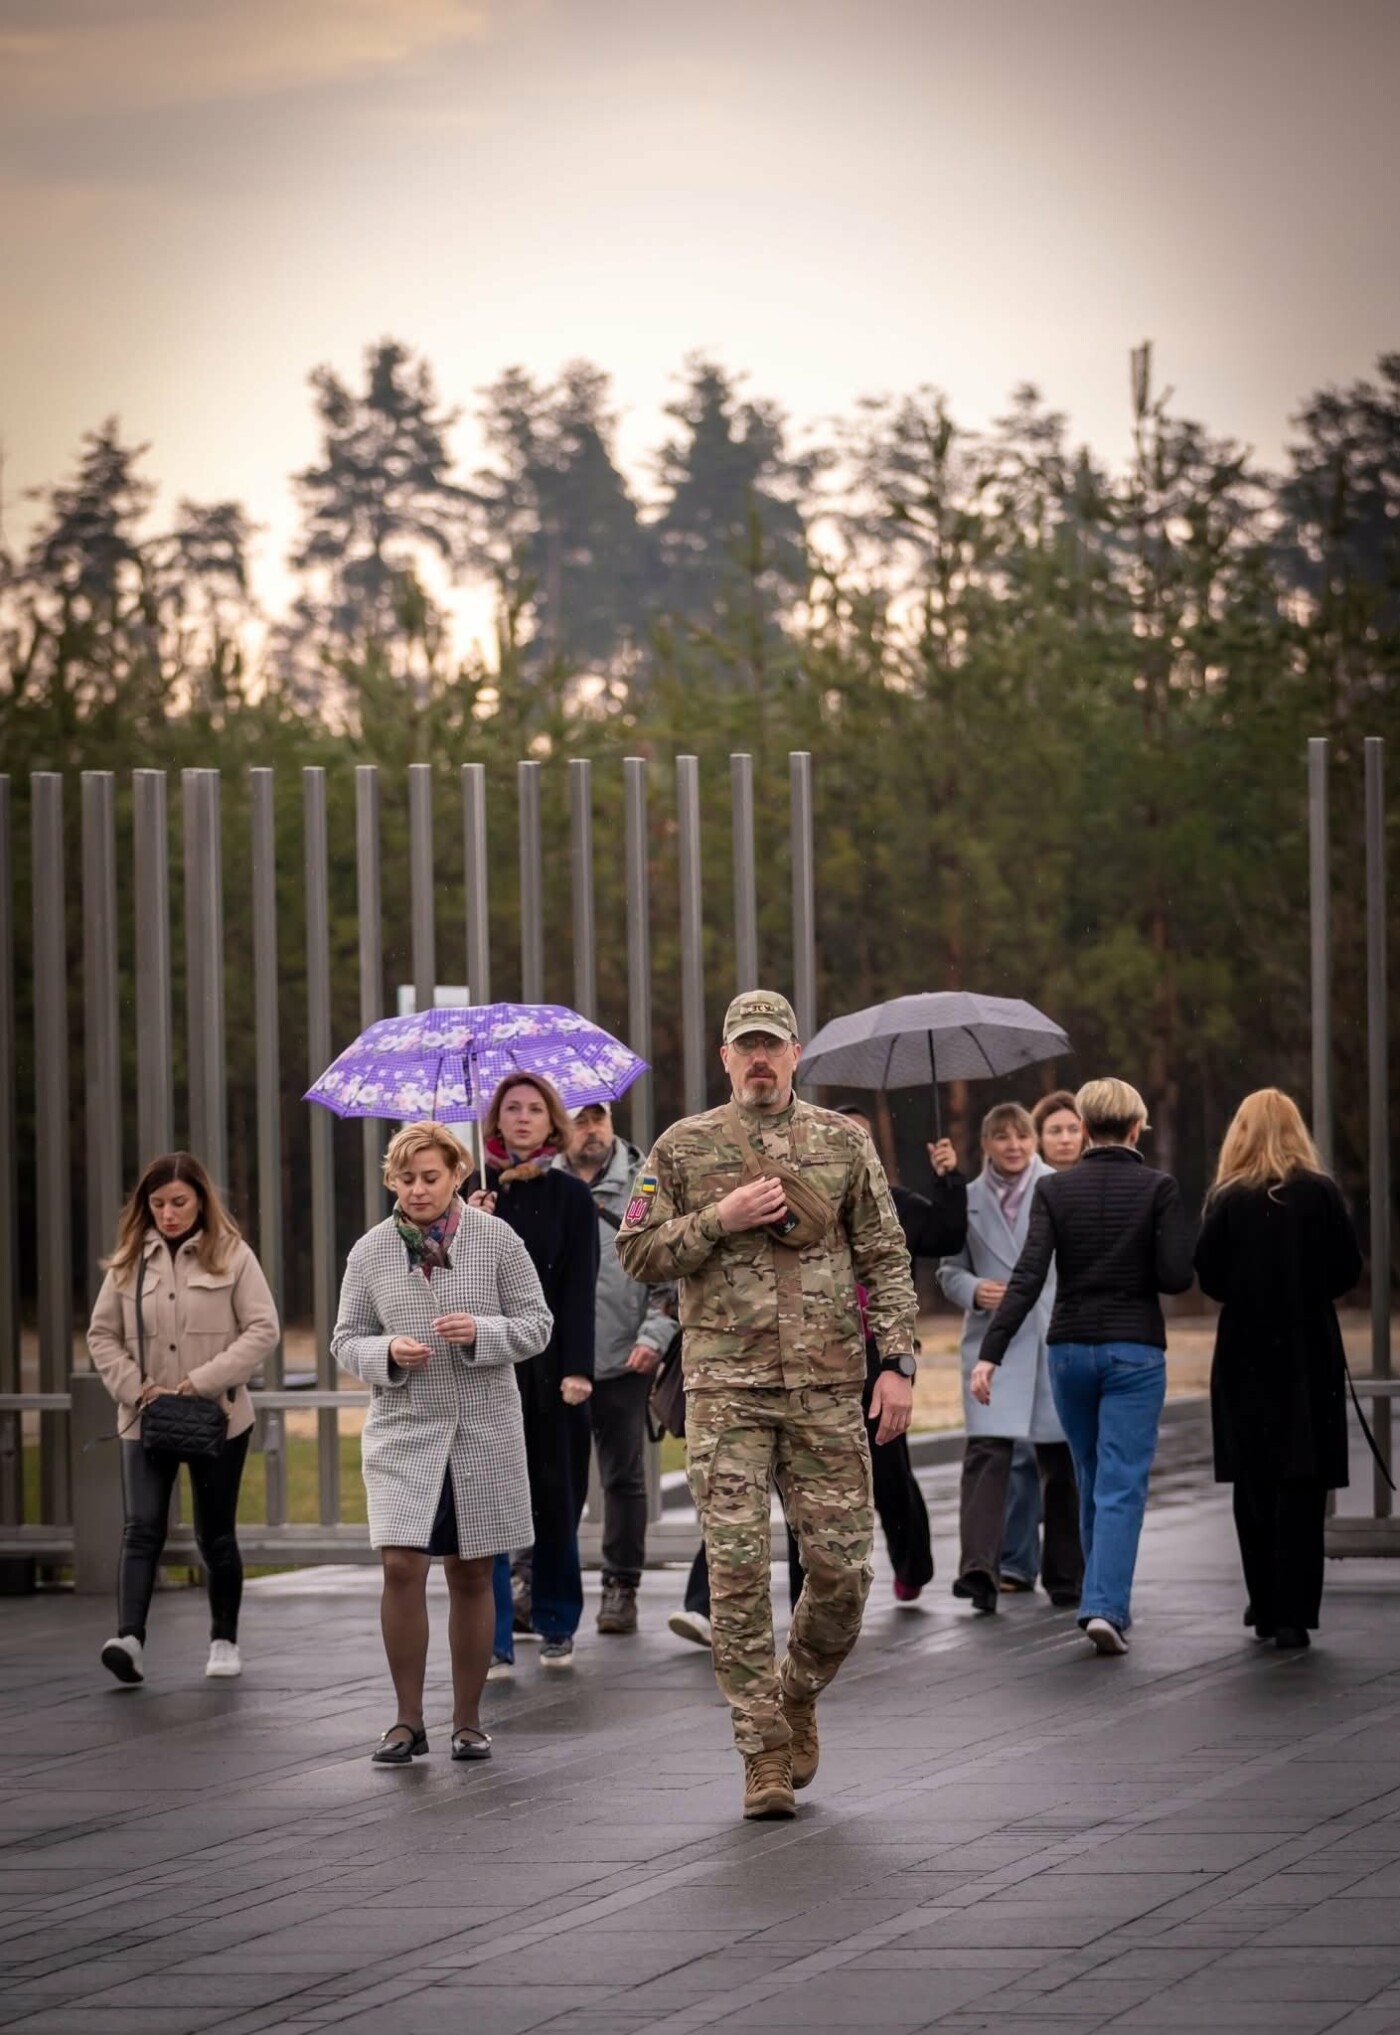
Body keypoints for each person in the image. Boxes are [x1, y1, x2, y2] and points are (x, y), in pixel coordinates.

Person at [617, 989, 919, 1820]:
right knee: (740, 1573)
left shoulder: (841, 1143)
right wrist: (719, 1216)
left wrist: (896, 1363)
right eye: (744, 1046)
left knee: (844, 1572)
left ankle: (799, 1689)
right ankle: (762, 1751)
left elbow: (886, 1256)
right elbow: (636, 1250)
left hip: (827, 1390)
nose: (758, 1059)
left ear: (794, 1055)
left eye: (772, 1045)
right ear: (724, 1058)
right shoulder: (683, 1147)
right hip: (727, 1392)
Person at [332, 1121, 552, 1763]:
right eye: (406, 1178)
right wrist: (388, 1351)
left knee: (472, 1570)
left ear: (458, 1173)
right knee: (400, 1564)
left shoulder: (495, 1238)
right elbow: (345, 1337)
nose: (418, 1189)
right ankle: (406, 1720)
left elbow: (537, 1325)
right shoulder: (370, 1251)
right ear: (390, 1181)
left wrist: (482, 1332)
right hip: (404, 1428)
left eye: (431, 1177)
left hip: (483, 1429)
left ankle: (468, 1720)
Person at [975, 1078, 1197, 1655]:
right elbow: (1177, 1276)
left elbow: (1027, 1276)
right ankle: (1104, 1606)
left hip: (1069, 1350)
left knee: (1092, 1477)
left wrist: (991, 1352)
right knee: (1122, 1482)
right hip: (1134, 1349)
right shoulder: (1159, 1188)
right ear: (1134, 1128)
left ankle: (1103, 1596)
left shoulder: (1056, 1192)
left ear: (1087, 1127)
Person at [88, 1152, 279, 1686]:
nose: (168, 1214)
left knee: (215, 1534)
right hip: (145, 1416)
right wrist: (137, 1387)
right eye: (157, 1204)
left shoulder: (234, 1255)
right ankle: (129, 1639)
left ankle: (224, 1639)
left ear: (199, 1200)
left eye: (179, 1202)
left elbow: (263, 1329)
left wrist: (203, 1381)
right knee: (140, 1527)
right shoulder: (130, 1260)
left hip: (217, 1416)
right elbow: (101, 1335)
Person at [1195, 1089, 1362, 1651]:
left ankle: (1263, 1603)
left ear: (1239, 1133)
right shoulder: (1320, 1193)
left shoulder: (1226, 1198)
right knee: (1301, 1480)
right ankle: (1294, 1611)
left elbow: (1210, 1277)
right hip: (1306, 1348)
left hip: (1243, 1349)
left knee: (1254, 1480)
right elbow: (1346, 1270)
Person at [467, 1074, 599, 1670]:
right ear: (495, 1119)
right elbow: (443, 1282)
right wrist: (465, 1225)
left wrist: (578, 1368)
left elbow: (578, 1287)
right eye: (512, 1108)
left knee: (556, 1496)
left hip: (551, 1370)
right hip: (486, 1367)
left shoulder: (572, 1195)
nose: (523, 1118)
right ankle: (493, 1634)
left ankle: (555, 1619)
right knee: (487, 1503)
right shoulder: (470, 1192)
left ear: (553, 1122)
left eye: (535, 1109)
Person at [937, 1104, 1082, 1616]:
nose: (1014, 1145)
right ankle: (979, 1571)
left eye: (1021, 1135)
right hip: (991, 1345)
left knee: (1060, 1462)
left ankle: (1067, 1575)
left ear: (1033, 1140)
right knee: (986, 1457)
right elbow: (948, 1271)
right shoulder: (968, 1200)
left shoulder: (1063, 1189)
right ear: (987, 1145)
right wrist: (976, 1290)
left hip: (1051, 1337)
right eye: (1002, 1137)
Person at [557, 1100, 679, 1635]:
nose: (591, 1130)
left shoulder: (642, 1188)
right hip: (557, 1364)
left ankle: (620, 1586)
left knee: (624, 1479)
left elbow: (667, 1274)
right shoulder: (538, 1185)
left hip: (624, 1358)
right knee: (551, 1482)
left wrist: (654, 1337)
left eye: (598, 1118)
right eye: (579, 1120)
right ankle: (532, 1579)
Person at [999, 1092, 1089, 1593]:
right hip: (1020, 1335)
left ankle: (1065, 1570)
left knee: (1065, 1462)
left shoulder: (1091, 1188)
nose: (1063, 1139)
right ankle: (1015, 1561)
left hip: (1069, 1333)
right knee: (1020, 1457)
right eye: (1053, 1130)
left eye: (1072, 1129)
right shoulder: (1022, 1191)